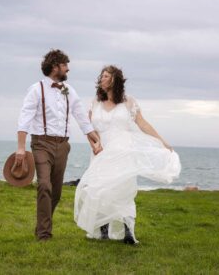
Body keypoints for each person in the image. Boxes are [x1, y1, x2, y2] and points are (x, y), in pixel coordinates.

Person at [74, 65, 181, 244]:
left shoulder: (129, 102)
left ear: (114, 80)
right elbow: (89, 128)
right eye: (102, 76)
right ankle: (103, 230)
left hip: (123, 150)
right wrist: (94, 144)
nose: (102, 79)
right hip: (101, 151)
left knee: (123, 190)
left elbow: (142, 124)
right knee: (100, 189)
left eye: (106, 76)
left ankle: (128, 232)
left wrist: (162, 142)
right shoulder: (95, 102)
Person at [16, 49, 102, 241]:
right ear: (55, 66)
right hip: (41, 143)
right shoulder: (36, 89)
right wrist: (21, 148)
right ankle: (44, 233)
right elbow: (24, 119)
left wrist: (96, 141)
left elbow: (82, 118)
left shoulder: (69, 91)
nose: (68, 69)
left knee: (56, 191)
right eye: (65, 66)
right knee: (44, 185)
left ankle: (41, 226)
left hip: (63, 145)